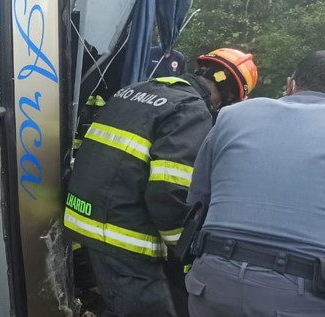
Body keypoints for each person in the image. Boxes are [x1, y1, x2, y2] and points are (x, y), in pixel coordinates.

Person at [63, 48, 258, 317]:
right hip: (123, 234)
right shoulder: (191, 110)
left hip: (84, 219)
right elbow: (169, 191)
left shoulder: (134, 90)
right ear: (228, 97)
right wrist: (186, 253)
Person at [184, 50, 325, 316]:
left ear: (290, 84)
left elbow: (198, 200)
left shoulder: (233, 116)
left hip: (211, 283)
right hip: (302, 297)